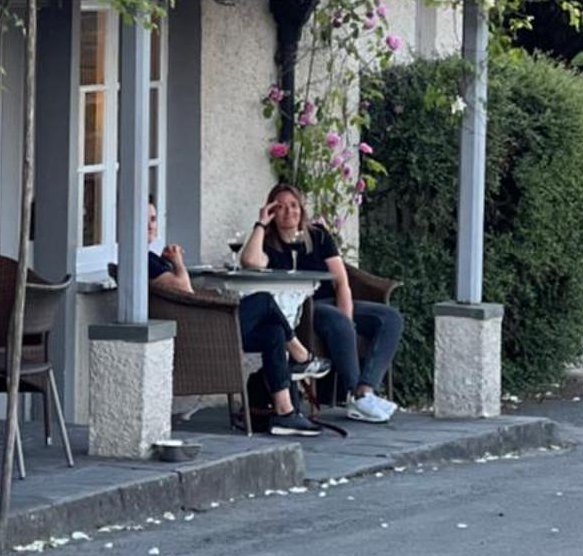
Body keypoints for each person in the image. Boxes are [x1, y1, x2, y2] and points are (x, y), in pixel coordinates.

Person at [145, 200, 323, 436]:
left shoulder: (150, 257)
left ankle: (285, 412)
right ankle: (301, 355)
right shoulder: (142, 260)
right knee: (263, 300)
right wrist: (177, 262)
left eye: (154, 219)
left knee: (274, 333)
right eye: (144, 220)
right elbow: (184, 290)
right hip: (202, 333)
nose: (150, 226)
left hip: (208, 325)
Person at [239, 180, 402, 424]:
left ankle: (365, 390)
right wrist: (261, 223)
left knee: (390, 318)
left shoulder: (318, 236)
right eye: (280, 207)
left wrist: (346, 318)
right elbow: (250, 262)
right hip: (303, 308)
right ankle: (354, 395)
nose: (288, 211)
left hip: (331, 301)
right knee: (335, 318)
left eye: (294, 205)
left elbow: (341, 282)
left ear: (302, 209)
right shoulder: (268, 242)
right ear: (272, 211)